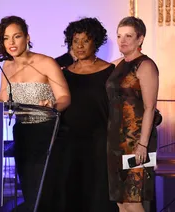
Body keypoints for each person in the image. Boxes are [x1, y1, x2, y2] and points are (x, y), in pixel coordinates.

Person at [0, 15, 70, 211]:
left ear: (27, 37)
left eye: (16, 36)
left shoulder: (45, 62)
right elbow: (2, 98)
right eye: (6, 38)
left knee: (45, 190)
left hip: (47, 133)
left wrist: (52, 107)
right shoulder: (6, 67)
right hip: (22, 133)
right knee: (28, 189)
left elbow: (65, 98)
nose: (11, 43)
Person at [58, 17, 118, 212]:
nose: (80, 46)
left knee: (99, 193)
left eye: (85, 40)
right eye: (75, 41)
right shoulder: (63, 73)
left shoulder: (110, 71)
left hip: (100, 141)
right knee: (72, 191)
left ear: (96, 41)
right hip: (69, 141)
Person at [106, 16, 159, 212]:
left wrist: (143, 144)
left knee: (133, 200)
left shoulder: (146, 65)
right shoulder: (117, 65)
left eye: (128, 35)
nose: (122, 40)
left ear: (140, 39)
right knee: (121, 201)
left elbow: (150, 107)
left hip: (136, 140)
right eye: (119, 36)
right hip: (115, 140)